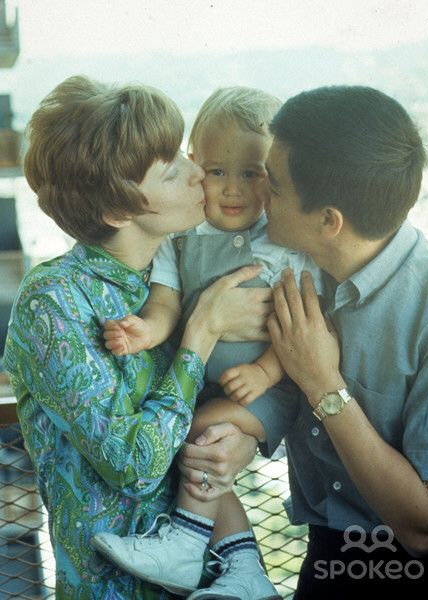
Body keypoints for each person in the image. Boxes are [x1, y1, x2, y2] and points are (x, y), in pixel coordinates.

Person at [3, 76, 270, 600]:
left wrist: (241, 441)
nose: (200, 173)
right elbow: (135, 466)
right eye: (174, 171)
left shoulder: (181, 274)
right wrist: (203, 331)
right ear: (118, 211)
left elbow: (222, 403)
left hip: (219, 583)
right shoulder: (53, 301)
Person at [93, 87, 320, 599]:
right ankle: (245, 569)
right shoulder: (182, 237)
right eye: (218, 171)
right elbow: (167, 300)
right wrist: (148, 330)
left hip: (268, 390)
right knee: (205, 449)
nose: (234, 188)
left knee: (192, 433)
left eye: (252, 172)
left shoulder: (282, 242)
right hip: (208, 387)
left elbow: (305, 323)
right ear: (196, 167)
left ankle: (186, 543)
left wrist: (264, 371)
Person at [251, 85, 428, 598]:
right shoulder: (291, 274)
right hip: (323, 562)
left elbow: (427, 527)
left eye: (274, 186)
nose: (259, 197)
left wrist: (321, 382)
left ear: (329, 221)